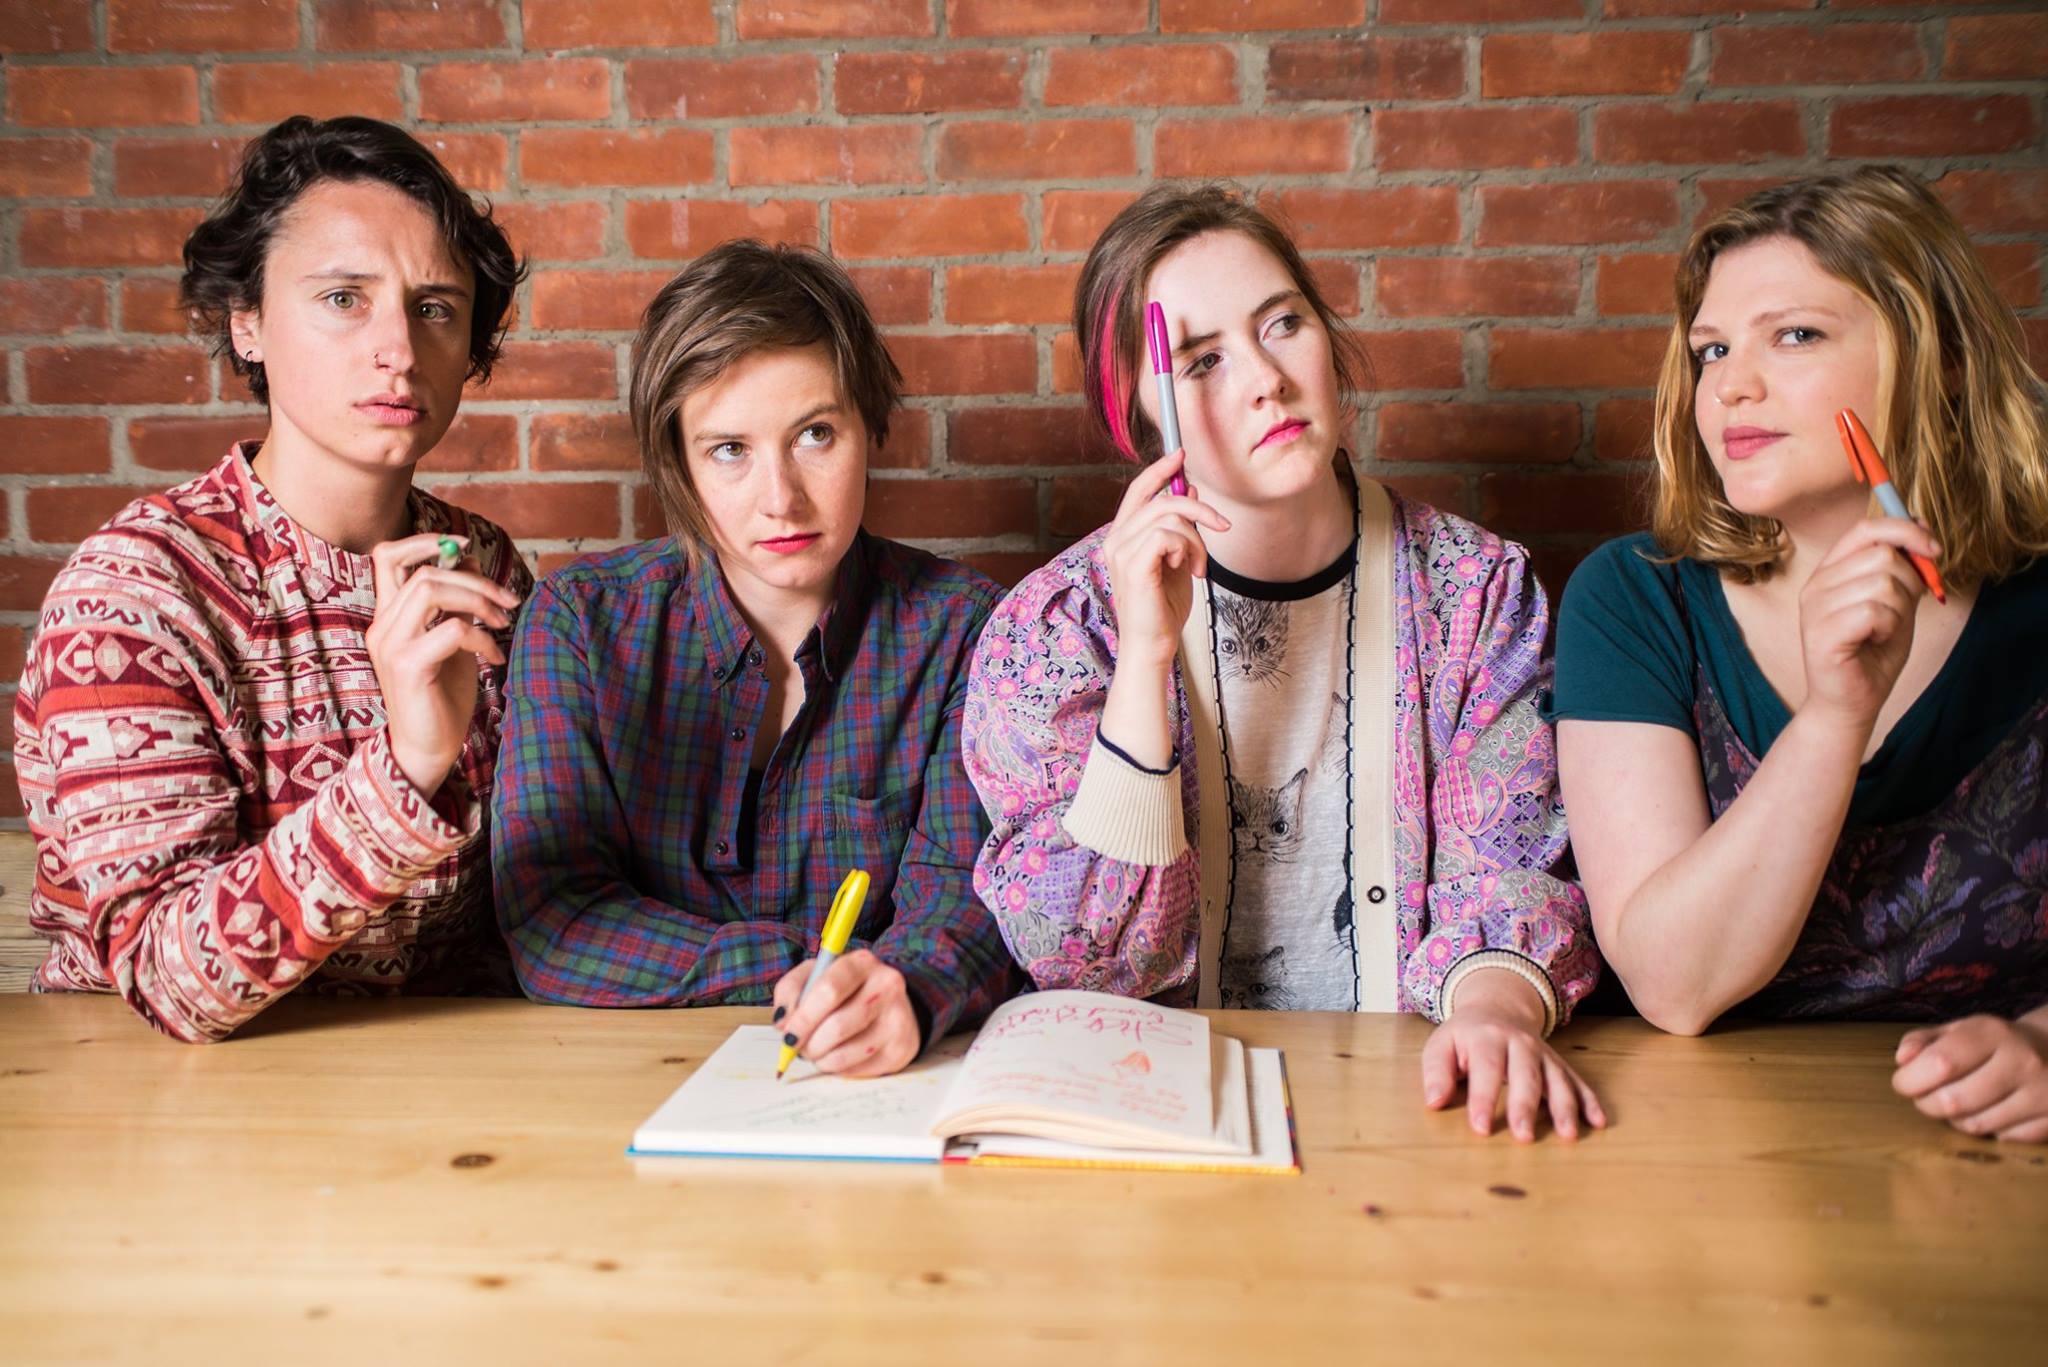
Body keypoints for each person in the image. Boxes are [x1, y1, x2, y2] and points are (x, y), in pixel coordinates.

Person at [964, 184, 1603, 1141]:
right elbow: (1091, 963)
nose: (1266, 378)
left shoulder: (1472, 590)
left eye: (1283, 324)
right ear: (1140, 417)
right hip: (1158, 1126)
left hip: (1415, 1113)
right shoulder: (1057, 630)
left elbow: (1510, 870)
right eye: (1202, 359)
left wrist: (1496, 1011)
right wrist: (1144, 662)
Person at [1551, 166, 2048, 1143]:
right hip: (1702, 1146)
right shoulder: (1635, 597)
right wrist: (1833, 716)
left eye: (1795, 335)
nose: (1731, 384)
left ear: (1942, 357)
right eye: (1711, 349)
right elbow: (1674, 983)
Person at [13, 115, 530, 1041]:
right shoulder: (136, 593)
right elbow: (171, 977)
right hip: (150, 1084)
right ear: (246, 322)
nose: (399, 349)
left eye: (434, 307)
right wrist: (408, 765)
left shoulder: (480, 563)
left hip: (427, 1077)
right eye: (343, 298)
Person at [492, 240, 1013, 1077]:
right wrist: (800, 967)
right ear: (679, 463)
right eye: (729, 449)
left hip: (877, 1081)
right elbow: (556, 921)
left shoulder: (964, 629)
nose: (782, 498)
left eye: (815, 434)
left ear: (869, 428)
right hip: (620, 1078)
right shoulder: (580, 625)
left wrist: (904, 989)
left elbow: (968, 897)